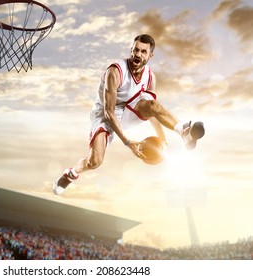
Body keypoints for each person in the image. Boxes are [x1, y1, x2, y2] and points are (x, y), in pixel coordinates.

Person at [53, 34, 205, 195]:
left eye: (143, 52)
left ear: (150, 55)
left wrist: (163, 141)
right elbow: (108, 111)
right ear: (131, 50)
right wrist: (127, 142)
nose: (138, 55)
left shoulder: (150, 77)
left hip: (130, 109)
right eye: (135, 50)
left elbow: (152, 111)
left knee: (152, 103)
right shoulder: (115, 71)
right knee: (94, 161)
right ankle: (71, 173)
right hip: (105, 114)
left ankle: (184, 131)